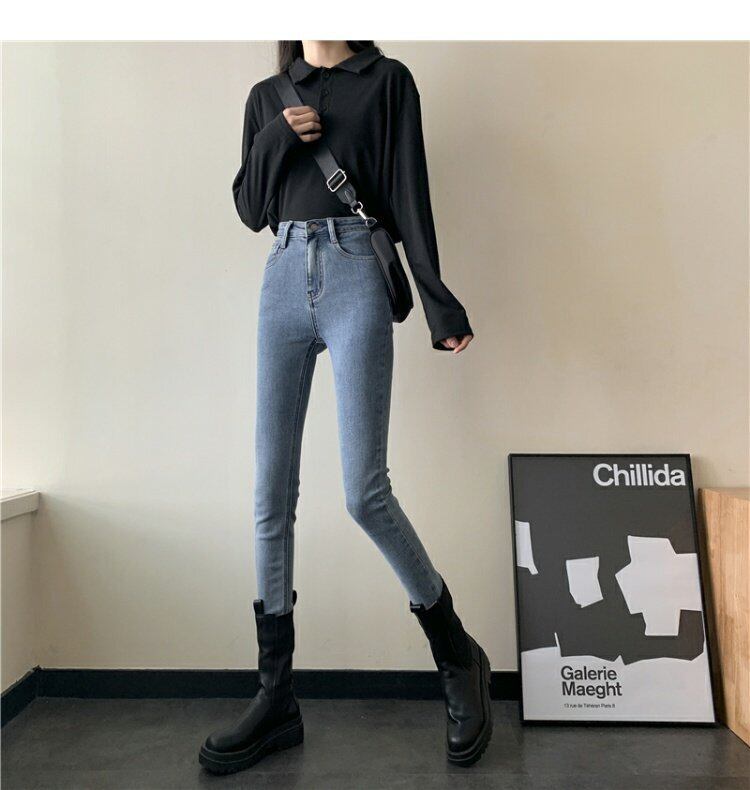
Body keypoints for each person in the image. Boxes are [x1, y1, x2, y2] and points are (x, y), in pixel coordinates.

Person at [199, 40, 491, 775]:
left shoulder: (387, 82)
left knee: (365, 491)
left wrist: (439, 304)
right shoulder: (268, 96)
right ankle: (277, 697)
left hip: (357, 268)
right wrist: (275, 136)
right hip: (281, 274)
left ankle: (457, 654)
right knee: (270, 494)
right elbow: (250, 209)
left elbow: (410, 195)